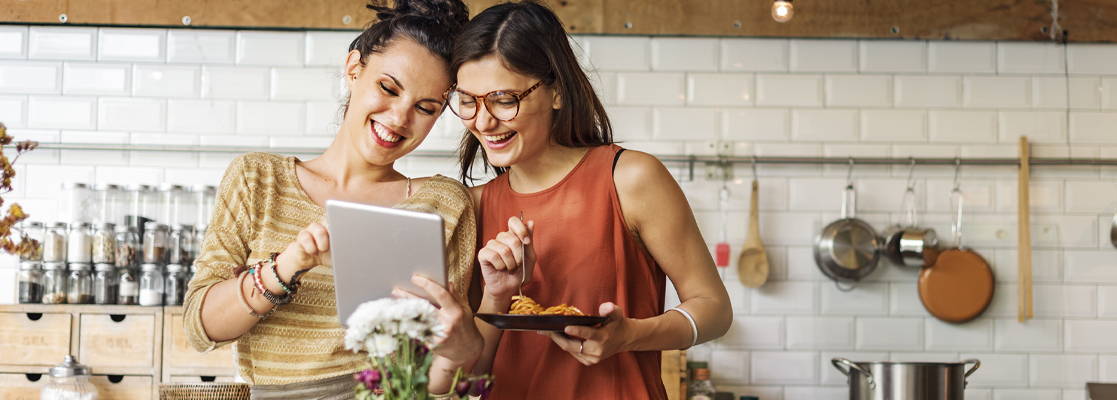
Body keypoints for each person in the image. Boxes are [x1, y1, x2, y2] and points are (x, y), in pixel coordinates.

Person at [182, 1, 482, 398]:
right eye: (388, 88)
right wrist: (287, 265)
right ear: (354, 68)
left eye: (425, 108)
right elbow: (200, 328)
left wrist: (460, 350)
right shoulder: (258, 180)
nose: (398, 118)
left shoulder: (444, 203)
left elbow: (436, 372)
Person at [449, 2, 734, 398]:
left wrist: (631, 335)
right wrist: (497, 296)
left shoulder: (630, 179)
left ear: (557, 93)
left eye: (503, 99)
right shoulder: (472, 204)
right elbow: (469, 375)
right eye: (467, 100)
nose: (482, 121)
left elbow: (715, 310)